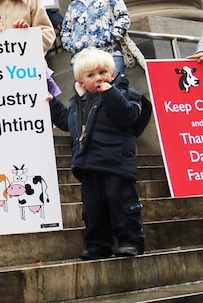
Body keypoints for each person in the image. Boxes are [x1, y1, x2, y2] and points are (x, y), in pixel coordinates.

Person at [48, 48, 146, 259]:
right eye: (91, 75)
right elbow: (67, 123)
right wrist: (52, 103)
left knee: (122, 204)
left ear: (112, 73)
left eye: (102, 72)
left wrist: (110, 92)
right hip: (89, 165)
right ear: (82, 82)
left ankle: (131, 240)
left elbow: (128, 115)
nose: (98, 78)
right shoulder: (77, 104)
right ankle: (98, 244)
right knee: (93, 209)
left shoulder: (126, 94)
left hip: (116, 163)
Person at [61, 0, 131, 74]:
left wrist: (108, 37)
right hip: (82, 61)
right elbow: (65, 32)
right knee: (86, 92)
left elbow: (123, 18)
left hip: (109, 55)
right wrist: (74, 45)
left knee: (113, 90)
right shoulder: (73, 6)